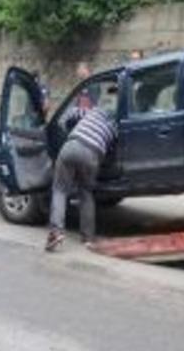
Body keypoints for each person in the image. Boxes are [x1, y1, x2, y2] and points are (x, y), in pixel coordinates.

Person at [45, 85, 118, 252]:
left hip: (72, 146)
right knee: (86, 193)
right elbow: (112, 147)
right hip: (93, 155)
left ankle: (56, 232)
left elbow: (72, 113)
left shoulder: (95, 111)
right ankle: (88, 238)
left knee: (60, 190)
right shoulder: (115, 126)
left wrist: (63, 125)